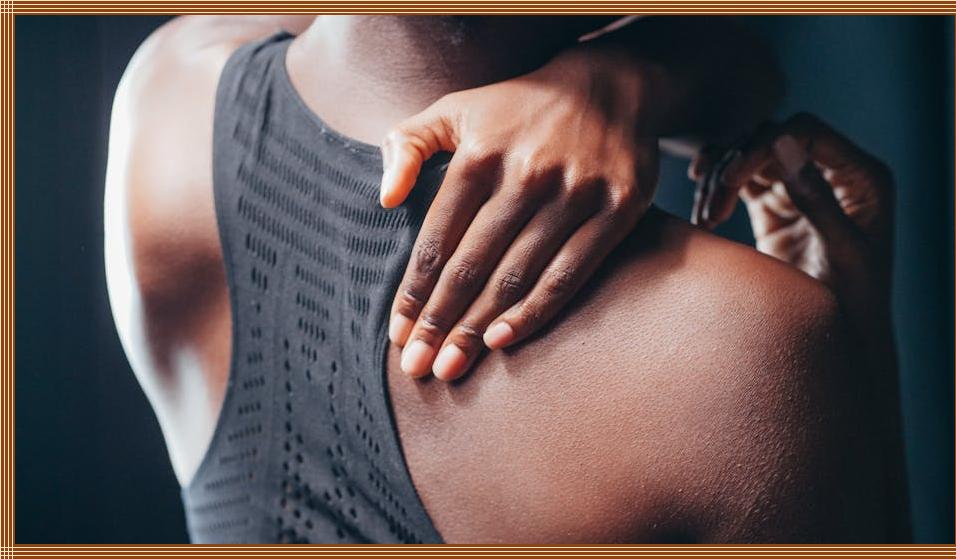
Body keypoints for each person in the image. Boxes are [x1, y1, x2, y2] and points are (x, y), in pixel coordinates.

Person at [104, 15, 905, 543]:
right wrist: (855, 337)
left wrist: (632, 81)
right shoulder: (738, 348)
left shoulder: (165, 102)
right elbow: (746, 70)